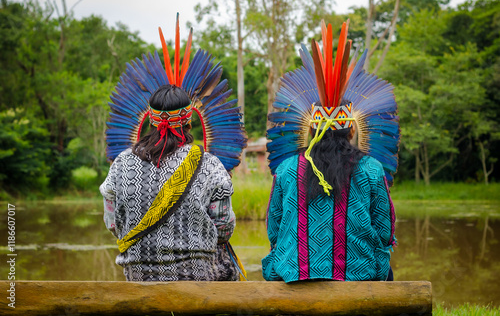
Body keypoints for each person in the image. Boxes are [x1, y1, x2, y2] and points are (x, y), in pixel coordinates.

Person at [263, 20, 398, 282]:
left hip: (295, 276)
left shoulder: (287, 169)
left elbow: (273, 228)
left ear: (311, 130)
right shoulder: (371, 169)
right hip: (358, 278)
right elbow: (385, 231)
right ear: (350, 131)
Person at [100, 84, 239, 281]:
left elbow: (113, 223)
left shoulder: (121, 163)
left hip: (138, 277)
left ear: (151, 120)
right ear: (188, 122)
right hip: (197, 281)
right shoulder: (210, 165)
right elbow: (224, 228)